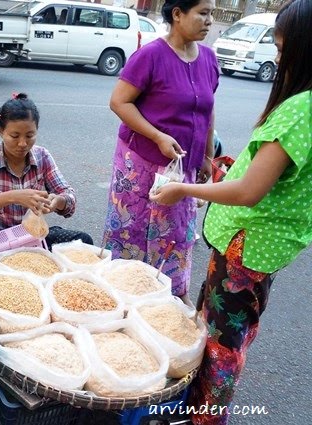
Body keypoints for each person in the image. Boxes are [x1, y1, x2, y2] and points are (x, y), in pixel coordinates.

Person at [150, 1, 312, 422]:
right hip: (264, 251)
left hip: (246, 247)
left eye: (282, 46)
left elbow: (249, 192)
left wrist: (182, 187)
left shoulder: (301, 109)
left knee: (222, 344)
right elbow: (277, 177)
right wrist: (236, 166)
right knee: (228, 330)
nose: (277, 55)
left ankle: (205, 417)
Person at [102, 0, 218, 298]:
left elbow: (207, 109)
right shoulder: (150, 55)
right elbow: (119, 102)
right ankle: (121, 297)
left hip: (182, 168)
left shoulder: (208, 58)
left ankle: (167, 297)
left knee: (175, 235)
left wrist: (206, 155)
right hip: (140, 164)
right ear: (178, 14)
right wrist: (157, 136)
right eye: (203, 13)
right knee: (133, 231)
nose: (209, 21)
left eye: (211, 14)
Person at [0, 93, 93, 297]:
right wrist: (13, 196)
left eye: (30, 135)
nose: (23, 144)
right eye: (14, 136)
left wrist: (58, 202)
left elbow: (68, 196)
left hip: (32, 238)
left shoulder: (42, 156)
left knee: (83, 241)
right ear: (0, 132)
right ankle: (23, 291)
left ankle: (24, 290)